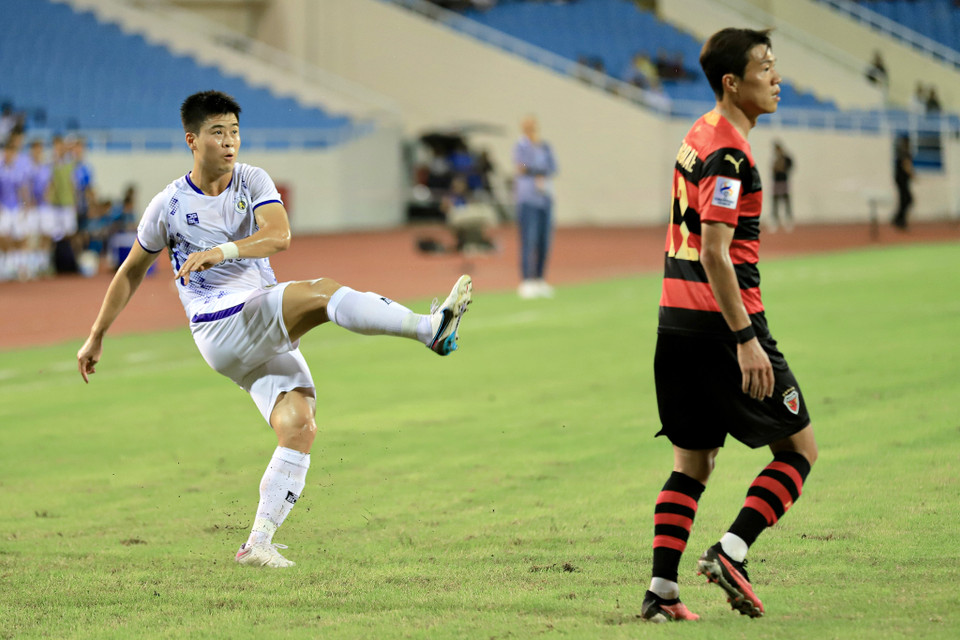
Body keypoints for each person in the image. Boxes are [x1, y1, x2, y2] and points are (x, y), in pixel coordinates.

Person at [76, 91, 473, 569]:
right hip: (219, 323)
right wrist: (97, 334)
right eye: (218, 133)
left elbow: (279, 235)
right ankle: (428, 329)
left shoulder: (252, 180)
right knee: (323, 294)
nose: (229, 143)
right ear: (192, 140)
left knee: (299, 425)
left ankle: (257, 542)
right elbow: (130, 271)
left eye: (235, 132)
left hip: (253, 320)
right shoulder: (169, 205)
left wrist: (224, 251)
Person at [641, 28, 817, 623]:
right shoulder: (729, 155)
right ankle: (732, 551)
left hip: (676, 325)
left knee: (693, 462)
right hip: (723, 327)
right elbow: (716, 252)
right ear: (731, 83)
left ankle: (662, 593)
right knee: (798, 449)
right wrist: (746, 340)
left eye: (775, 65)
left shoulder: (698, 134)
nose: (776, 78)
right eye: (765, 67)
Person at [513, 115, 557, 299]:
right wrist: (537, 170)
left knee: (544, 241)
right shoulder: (520, 146)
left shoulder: (544, 146)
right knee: (528, 239)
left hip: (544, 198)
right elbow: (520, 166)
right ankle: (526, 280)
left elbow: (554, 167)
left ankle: (539, 278)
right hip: (527, 198)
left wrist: (540, 170)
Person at [770, 141, 793, 232]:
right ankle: (775, 220)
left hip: (783, 181)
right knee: (775, 201)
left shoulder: (786, 158)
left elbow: (790, 166)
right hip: (776, 181)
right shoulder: (774, 158)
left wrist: (784, 170)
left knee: (786, 201)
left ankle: (788, 219)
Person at [892, 135, 914, 230]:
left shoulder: (900, 153)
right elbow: (906, 165)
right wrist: (913, 175)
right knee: (907, 199)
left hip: (900, 180)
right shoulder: (904, 153)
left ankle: (899, 219)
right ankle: (899, 219)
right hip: (902, 180)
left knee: (905, 199)